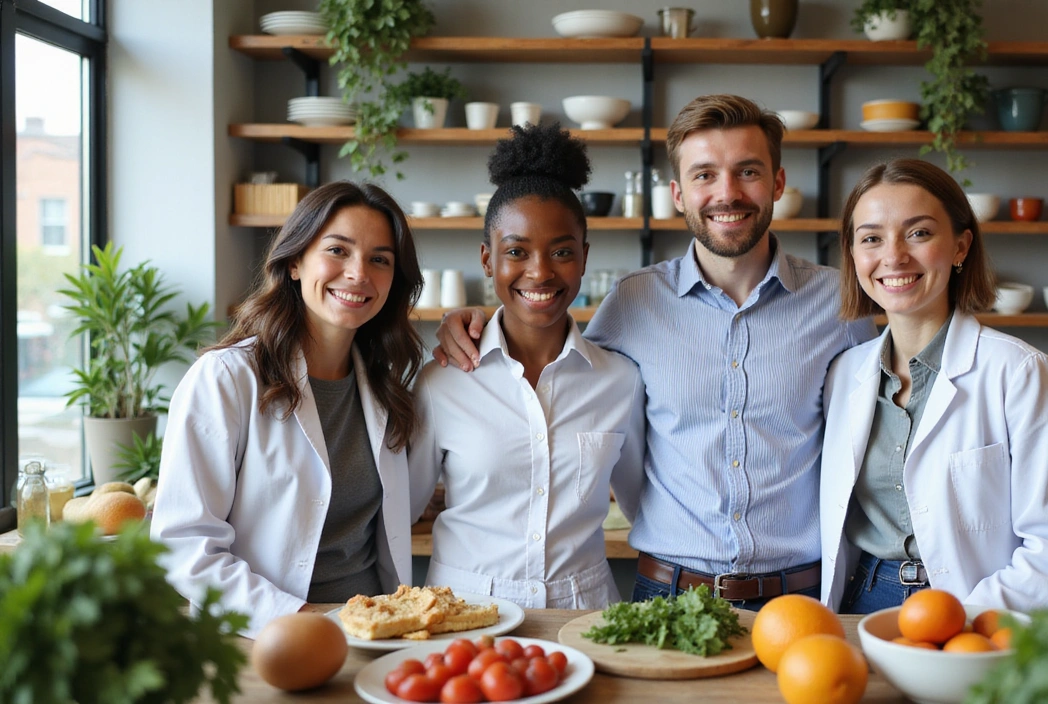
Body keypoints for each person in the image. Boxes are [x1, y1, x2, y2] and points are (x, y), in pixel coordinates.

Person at [435, 95, 875, 609]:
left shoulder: (840, 302)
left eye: (748, 171)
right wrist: (476, 325)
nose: (727, 193)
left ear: (778, 182)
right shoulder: (633, 301)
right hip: (666, 595)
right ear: (678, 195)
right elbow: (557, 365)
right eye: (704, 175)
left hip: (800, 597)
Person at [819, 158, 1048, 615]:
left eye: (918, 233)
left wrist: (966, 622)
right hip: (862, 602)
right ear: (853, 256)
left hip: (977, 608)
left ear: (960, 246)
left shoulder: (1020, 372)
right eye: (871, 238)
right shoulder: (843, 374)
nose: (894, 256)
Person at [150, 181, 425, 635]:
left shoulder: (385, 386)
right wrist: (303, 621)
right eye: (337, 250)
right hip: (263, 634)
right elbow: (184, 544)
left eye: (380, 259)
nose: (358, 273)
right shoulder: (226, 378)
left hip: (376, 631)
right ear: (295, 262)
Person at [408, 122, 645, 609]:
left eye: (562, 252)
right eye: (516, 251)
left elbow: (644, 507)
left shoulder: (621, 382)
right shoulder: (441, 382)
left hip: (583, 617)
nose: (540, 271)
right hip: (465, 615)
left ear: (584, 258)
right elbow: (401, 511)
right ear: (487, 260)